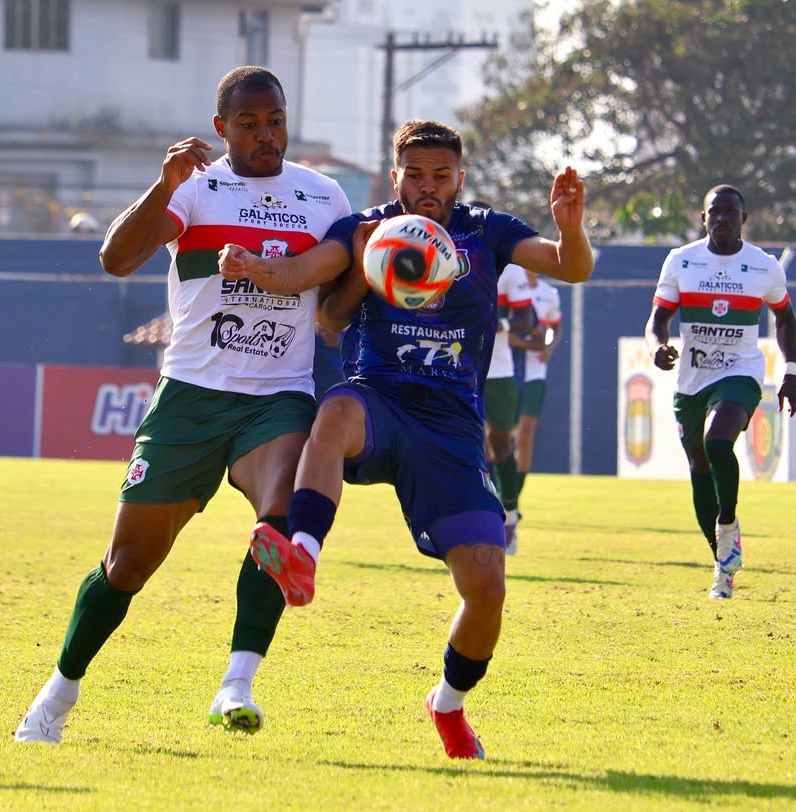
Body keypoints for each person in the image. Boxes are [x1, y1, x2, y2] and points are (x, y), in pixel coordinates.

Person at [216, 119, 593, 759]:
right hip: (380, 400)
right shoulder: (367, 228)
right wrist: (268, 266)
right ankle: (302, 552)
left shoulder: (486, 229)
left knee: (487, 586)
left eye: (440, 176)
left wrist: (571, 223)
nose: (427, 188)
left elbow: (571, 269)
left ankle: (447, 704)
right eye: (414, 175)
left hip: (451, 426)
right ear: (395, 176)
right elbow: (327, 313)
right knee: (333, 411)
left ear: (459, 178)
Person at [14, 66, 352, 744]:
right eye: (250, 123)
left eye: (276, 120)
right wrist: (163, 185)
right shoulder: (195, 190)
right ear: (221, 127)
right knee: (127, 565)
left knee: (279, 519)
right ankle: (59, 692)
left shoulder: (324, 196)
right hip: (191, 398)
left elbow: (339, 297)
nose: (266, 135)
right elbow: (115, 259)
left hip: (277, 397)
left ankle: (237, 682)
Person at [644, 184, 796, 600]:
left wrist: (791, 373)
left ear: (743, 219)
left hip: (741, 373)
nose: (721, 218)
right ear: (703, 218)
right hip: (692, 380)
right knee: (699, 466)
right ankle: (723, 565)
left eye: (730, 212)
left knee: (718, 443)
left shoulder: (763, 266)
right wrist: (657, 347)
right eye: (714, 212)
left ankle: (729, 523)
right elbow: (658, 320)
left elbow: (785, 318)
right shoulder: (682, 261)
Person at [482, 260, 534, 555]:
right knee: (464, 443)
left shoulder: (511, 271)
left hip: (499, 373)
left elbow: (525, 320)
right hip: (459, 370)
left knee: (500, 446)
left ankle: (510, 515)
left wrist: (498, 323)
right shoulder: (446, 258)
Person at [509, 269, 563, 515]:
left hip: (535, 370)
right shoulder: (507, 283)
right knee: (499, 434)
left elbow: (555, 327)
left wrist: (548, 348)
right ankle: (499, 491)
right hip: (508, 367)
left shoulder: (549, 294)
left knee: (525, 434)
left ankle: (513, 498)